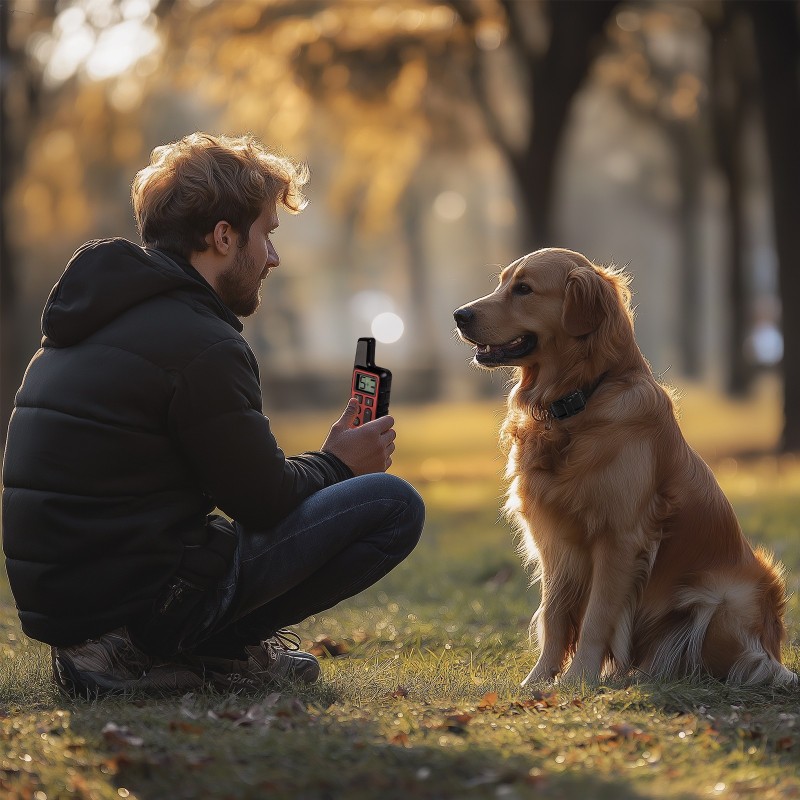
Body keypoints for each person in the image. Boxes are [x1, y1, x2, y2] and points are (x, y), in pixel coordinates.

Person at [2, 132, 425, 698]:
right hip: (140, 604)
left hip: (72, 607)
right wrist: (339, 463)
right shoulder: (201, 342)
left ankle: (160, 652)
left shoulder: (89, 321)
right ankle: (162, 652)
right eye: (266, 235)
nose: (272, 257)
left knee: (229, 534)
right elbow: (263, 500)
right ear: (224, 237)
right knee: (392, 504)